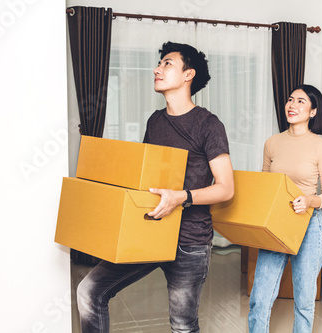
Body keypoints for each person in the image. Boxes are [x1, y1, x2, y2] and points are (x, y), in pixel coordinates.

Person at [77, 42, 234, 333]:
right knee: (89, 291)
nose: (156, 69)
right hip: (151, 230)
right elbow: (145, 176)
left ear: (189, 75)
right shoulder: (155, 121)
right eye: (159, 64)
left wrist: (181, 197)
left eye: (167, 64)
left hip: (190, 241)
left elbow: (226, 188)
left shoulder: (208, 124)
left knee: (183, 326)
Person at [248, 84, 322, 333]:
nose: (291, 105)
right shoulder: (272, 143)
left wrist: (310, 201)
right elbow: (265, 185)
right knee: (261, 296)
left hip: (309, 224)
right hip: (276, 223)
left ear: (313, 112)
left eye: (300, 101)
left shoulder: (321, 147)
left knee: (305, 300)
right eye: (290, 99)